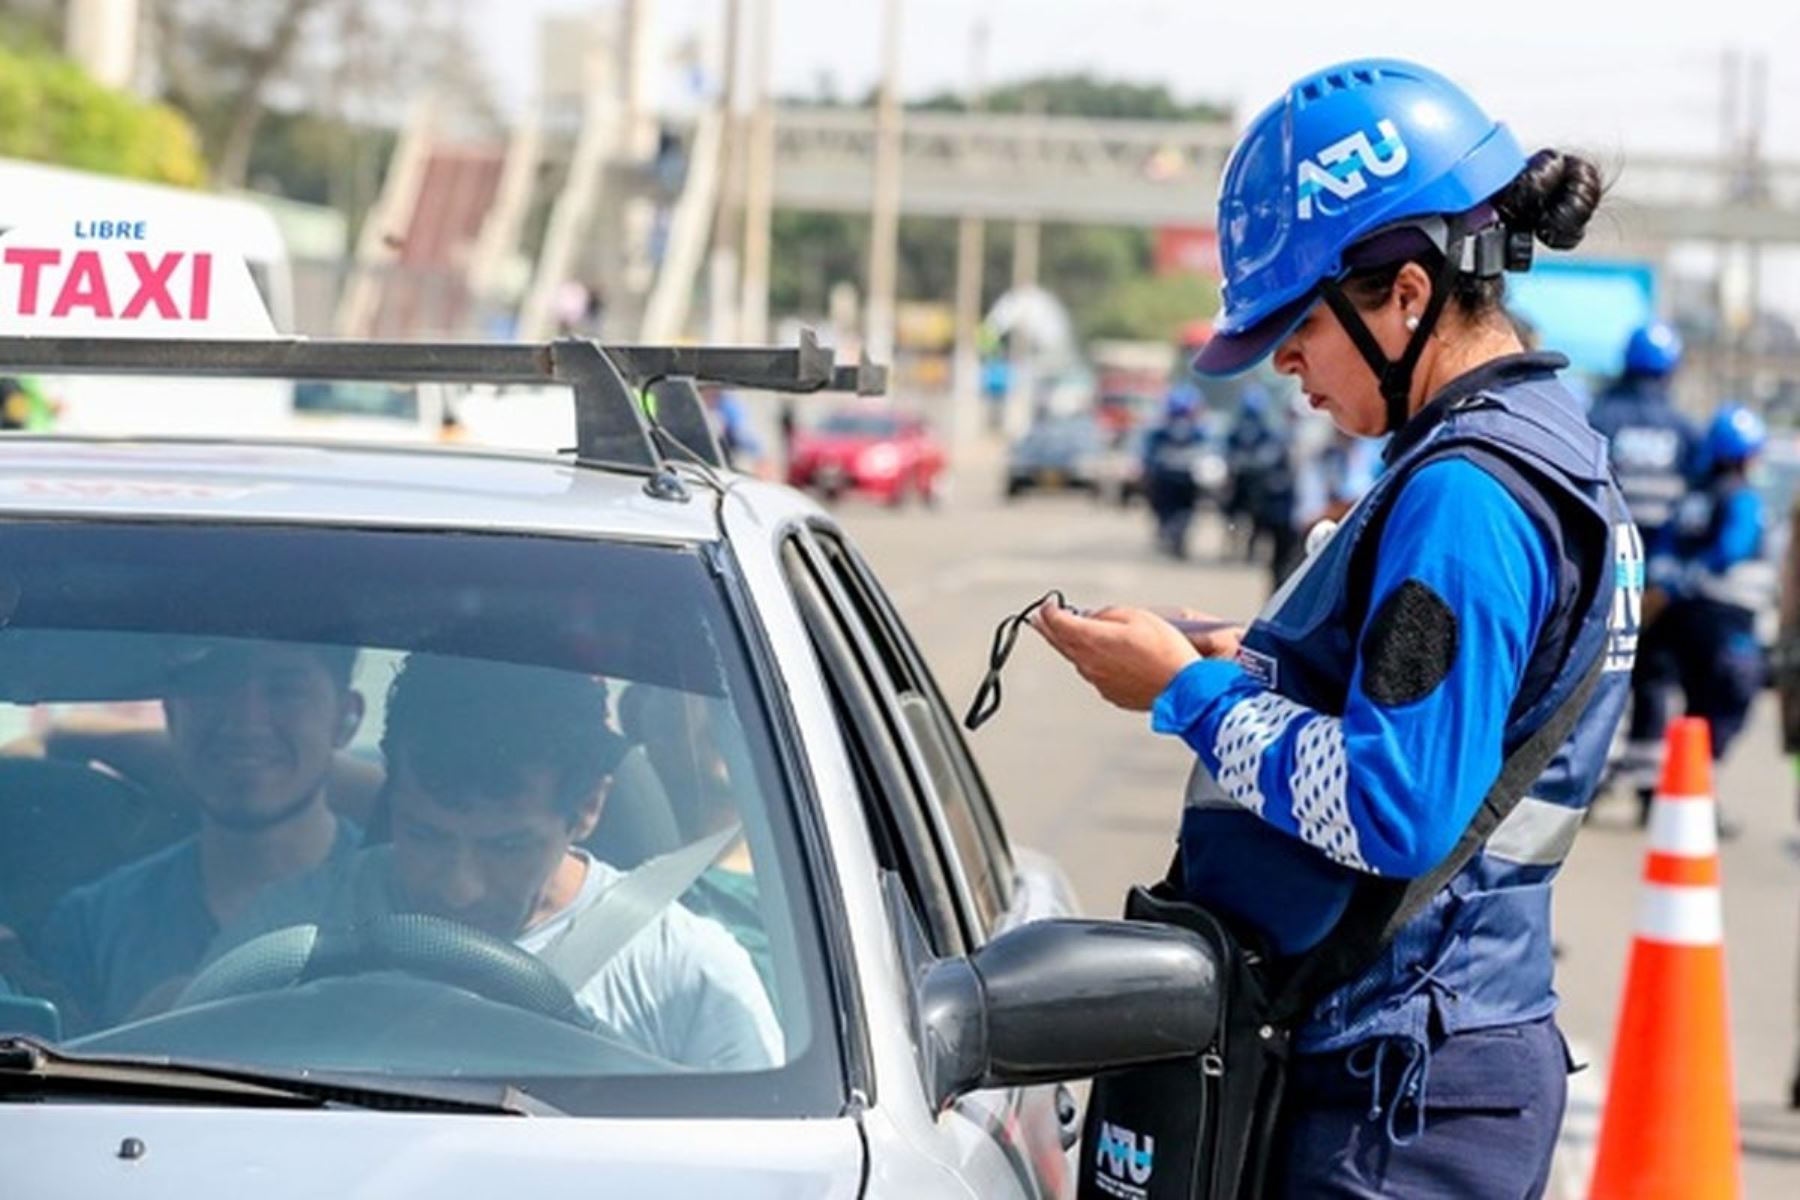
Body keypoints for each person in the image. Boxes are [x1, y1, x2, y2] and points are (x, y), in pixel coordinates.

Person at [1034, 58, 1634, 1198]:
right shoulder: (1531, 447)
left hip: (1400, 1095)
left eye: (1297, 325)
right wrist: (1238, 658)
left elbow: (1392, 805)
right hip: (1429, 1057)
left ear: (1405, 294)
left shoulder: (1467, 496)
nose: (1286, 364)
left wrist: (1188, 695)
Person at [214, 653, 781, 1071]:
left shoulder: (684, 975)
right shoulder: (290, 938)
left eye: (508, 847)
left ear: (587, 808)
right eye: (426, 835)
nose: (459, 888)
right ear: (393, 789)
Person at [32, 640, 365, 1029]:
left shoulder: (408, 905)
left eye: (284, 691)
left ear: (346, 718)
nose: (246, 723)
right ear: (172, 713)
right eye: (215, 686)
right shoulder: (89, 926)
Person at [1587, 319, 1702, 812]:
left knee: (1596, 675)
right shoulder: (1683, 430)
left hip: (1607, 572)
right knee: (1653, 677)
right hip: (1657, 582)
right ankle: (1648, 783)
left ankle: (1589, 776)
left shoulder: (1603, 416)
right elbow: (1697, 507)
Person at [1652, 403, 1774, 835]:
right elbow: (1735, 547)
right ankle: (1694, 794)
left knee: (1687, 705)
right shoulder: (1741, 497)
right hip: (1726, 621)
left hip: (1682, 616)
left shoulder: (1692, 493)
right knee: (1725, 703)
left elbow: (1666, 546)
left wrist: (1674, 576)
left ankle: (1677, 791)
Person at [1142, 384, 1207, 559]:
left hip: (1181, 478)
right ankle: (1170, 533)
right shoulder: (1161, 432)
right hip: (1170, 478)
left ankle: (1175, 535)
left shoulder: (1197, 432)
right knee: (1169, 509)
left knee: (1180, 510)